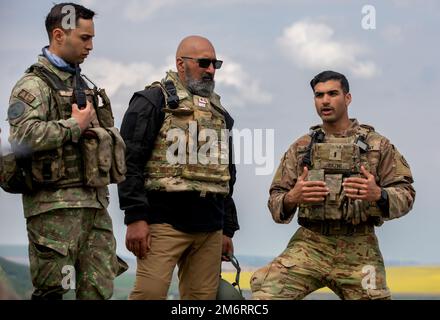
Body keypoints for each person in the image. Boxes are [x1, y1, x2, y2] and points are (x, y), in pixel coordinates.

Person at [250, 70, 415, 300]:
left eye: (332, 93)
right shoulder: (301, 147)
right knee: (265, 294)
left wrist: (379, 194)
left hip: (360, 247)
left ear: (347, 98)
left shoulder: (377, 145)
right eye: (319, 95)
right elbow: (275, 202)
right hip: (310, 245)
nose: (325, 101)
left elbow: (406, 194)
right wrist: (293, 197)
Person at [5, 3, 127, 300]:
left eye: (92, 38)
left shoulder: (81, 84)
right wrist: (73, 125)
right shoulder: (33, 85)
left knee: (98, 292)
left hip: (94, 208)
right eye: (85, 38)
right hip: (52, 211)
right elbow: (22, 135)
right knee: (53, 293)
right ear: (59, 35)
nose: (91, 46)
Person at [118, 35, 240, 300]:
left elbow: (227, 175)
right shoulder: (151, 102)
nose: (210, 70)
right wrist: (135, 217)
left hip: (209, 228)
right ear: (180, 64)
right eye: (204, 63)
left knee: (201, 301)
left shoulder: (220, 114)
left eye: (215, 64)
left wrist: (227, 228)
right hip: (163, 224)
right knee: (148, 295)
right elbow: (129, 161)